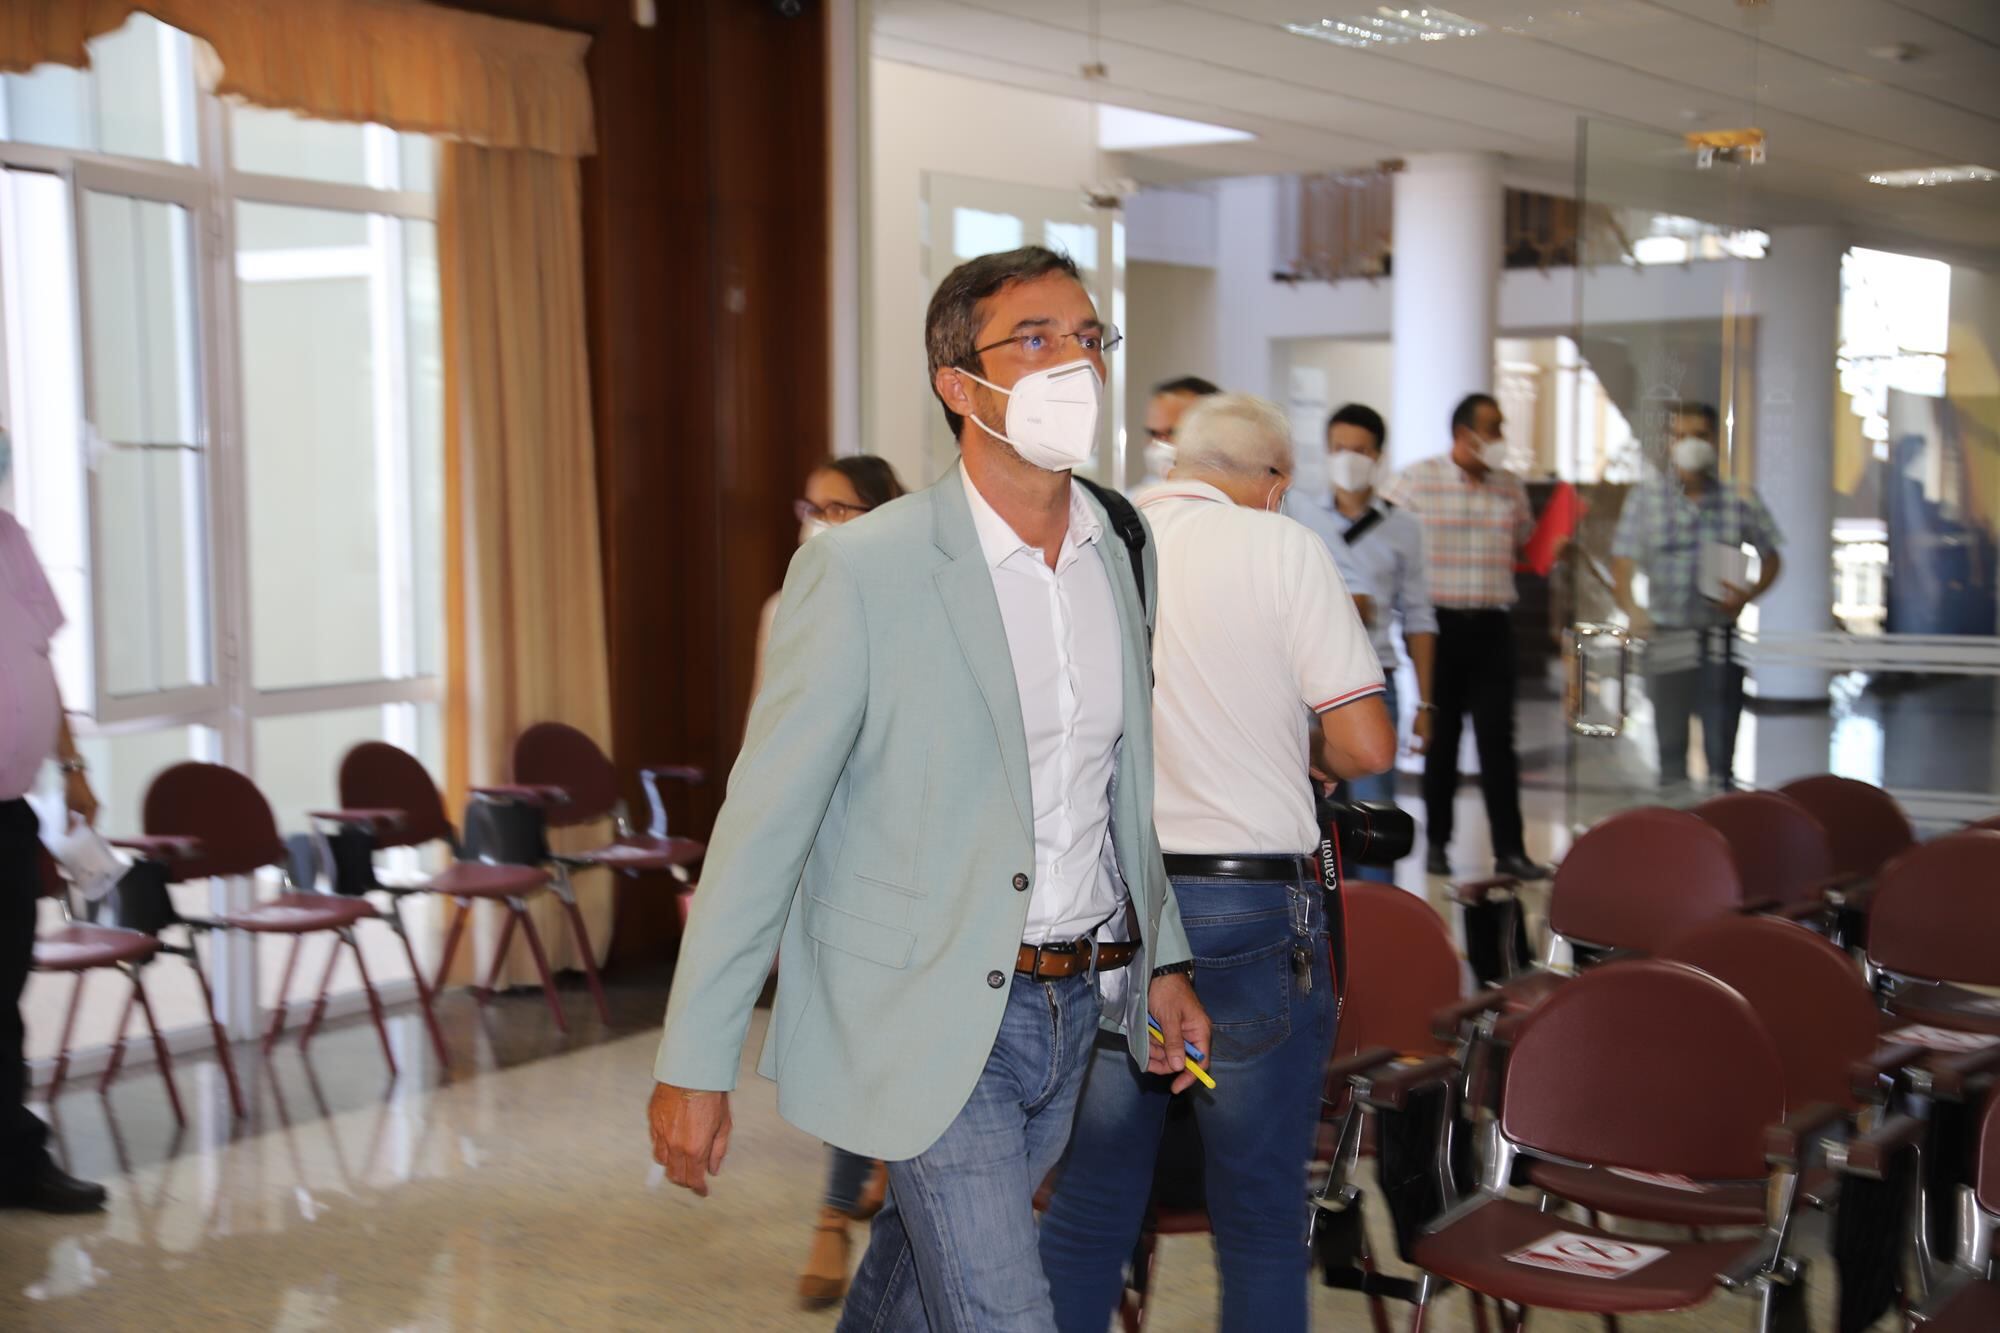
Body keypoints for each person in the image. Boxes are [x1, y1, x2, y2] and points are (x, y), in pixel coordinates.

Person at [647, 245, 1211, 1333]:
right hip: (920, 1009)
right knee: (1003, 1310)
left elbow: (1110, 790)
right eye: (1035, 340)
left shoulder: (1119, 546)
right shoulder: (862, 568)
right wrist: (693, 1058)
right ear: (960, 385)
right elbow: (764, 825)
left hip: (1069, 1002)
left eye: (1088, 338)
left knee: (913, 1282)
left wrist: (1165, 956)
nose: (1074, 364)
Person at [1040, 393, 1392, 1332]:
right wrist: (1296, 749)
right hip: (1245, 911)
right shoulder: (1281, 549)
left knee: (1092, 1195)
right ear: (1271, 484)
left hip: (1111, 905)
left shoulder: (1092, 539)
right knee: (1260, 1212)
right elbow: (1364, 742)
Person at [751, 455, 905, 1307]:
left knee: (882, 1039)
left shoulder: (912, 598)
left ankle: (860, 1197)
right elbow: (763, 735)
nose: (821, 522)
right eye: (813, 506)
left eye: (842, 509)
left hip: (902, 856)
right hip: (824, 850)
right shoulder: (786, 605)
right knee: (848, 1041)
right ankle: (835, 1212)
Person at [1, 442, 107, 1214]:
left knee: (4, 990)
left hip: (8, 813)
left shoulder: (9, 537)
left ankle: (14, 1162)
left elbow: (42, 660)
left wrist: (71, 769)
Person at [1384, 393, 1549, 881]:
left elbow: (1527, 545)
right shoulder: (1415, 481)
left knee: (1500, 741)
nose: (1500, 439)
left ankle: (1511, 851)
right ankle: (1437, 844)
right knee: (1443, 736)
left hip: (1494, 627)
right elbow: (1383, 539)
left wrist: (1551, 546)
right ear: (1463, 434)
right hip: (1439, 626)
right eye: (1493, 428)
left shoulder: (1510, 488)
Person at [1286, 402, 1438, 883]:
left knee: (1374, 827)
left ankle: (1377, 936)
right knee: (1311, 828)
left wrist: (1426, 704)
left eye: (1359, 450)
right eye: (1339, 449)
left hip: (1375, 682)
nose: (1348, 459)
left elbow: (1418, 616)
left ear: (1378, 456)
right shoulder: (1297, 512)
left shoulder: (1404, 527)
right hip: (1305, 688)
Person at [1611, 403, 1783, 790]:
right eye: (1682, 436)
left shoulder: (1739, 498)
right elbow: (1622, 560)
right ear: (1670, 443)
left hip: (1718, 638)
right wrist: (1631, 609)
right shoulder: (1647, 498)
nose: (1691, 444)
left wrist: (1747, 594)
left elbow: (1772, 557)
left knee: (1721, 752)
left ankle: (1723, 831)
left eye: (1700, 436)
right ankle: (1677, 838)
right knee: (1670, 748)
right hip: (1667, 633)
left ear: (1714, 442)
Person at [1137, 375, 1219, 488]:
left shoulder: (1238, 501)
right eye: (1154, 434)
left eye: (1172, 433)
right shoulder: (1132, 502)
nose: (1159, 445)